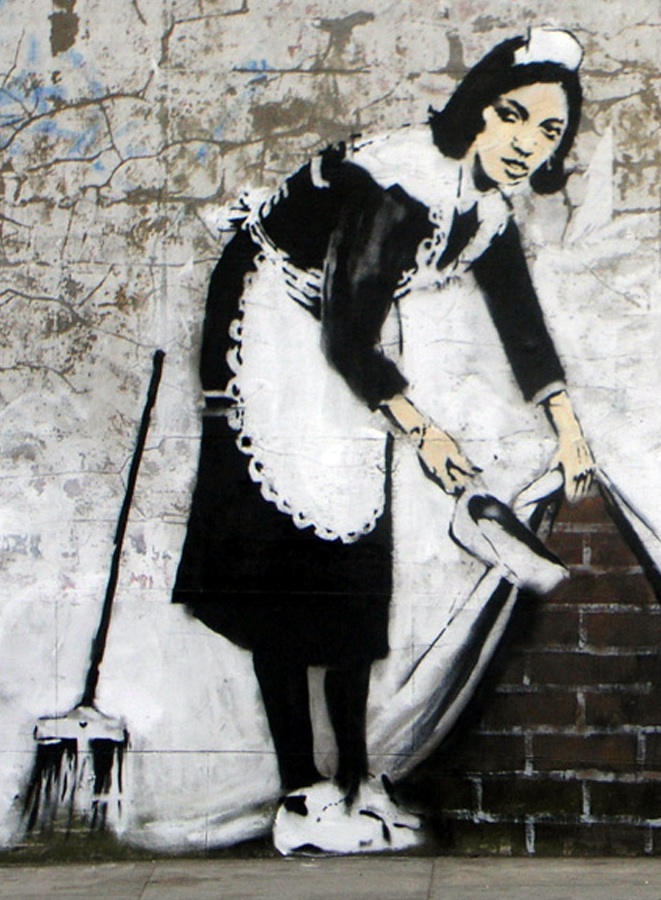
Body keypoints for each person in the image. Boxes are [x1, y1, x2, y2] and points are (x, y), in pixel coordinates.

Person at [170, 28, 595, 855]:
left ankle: (359, 782)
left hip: (343, 328)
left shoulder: (488, 207)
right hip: (270, 317)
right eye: (511, 116)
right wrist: (425, 432)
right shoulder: (402, 183)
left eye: (548, 130)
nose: (525, 142)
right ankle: (302, 795)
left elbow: (522, 324)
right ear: (477, 109)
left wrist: (569, 428)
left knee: (355, 544)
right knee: (289, 554)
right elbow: (345, 336)